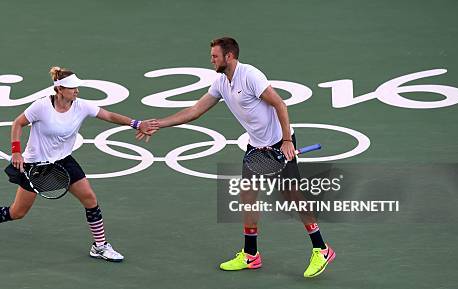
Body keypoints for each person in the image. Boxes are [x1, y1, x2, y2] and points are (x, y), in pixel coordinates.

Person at [137, 37, 335, 277]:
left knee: (292, 195)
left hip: (279, 143)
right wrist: (159, 124)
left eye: (214, 56)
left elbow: (280, 105)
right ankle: (251, 254)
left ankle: (321, 248)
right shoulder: (221, 82)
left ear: (228, 56)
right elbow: (194, 111)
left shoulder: (250, 75)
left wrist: (286, 141)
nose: (211, 60)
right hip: (256, 147)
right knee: (247, 196)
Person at [0, 66, 158, 262]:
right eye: (72, 88)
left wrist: (136, 123)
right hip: (36, 166)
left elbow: (108, 116)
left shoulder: (81, 106)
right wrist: (16, 151)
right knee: (18, 212)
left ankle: (99, 246)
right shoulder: (41, 107)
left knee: (90, 199)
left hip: (63, 161)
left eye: (77, 87)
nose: (76, 91)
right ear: (59, 89)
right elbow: (17, 123)